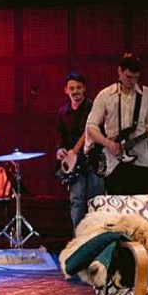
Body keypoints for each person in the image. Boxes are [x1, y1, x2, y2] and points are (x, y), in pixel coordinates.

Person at [86, 53, 148, 195]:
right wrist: (109, 144)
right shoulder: (105, 95)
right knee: (116, 206)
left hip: (140, 162)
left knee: (137, 206)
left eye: (136, 78)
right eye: (128, 77)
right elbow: (91, 126)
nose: (132, 82)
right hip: (114, 163)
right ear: (119, 71)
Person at [55, 70, 105, 231]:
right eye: (72, 88)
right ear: (66, 90)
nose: (75, 91)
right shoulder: (63, 112)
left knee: (96, 201)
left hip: (94, 161)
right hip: (74, 165)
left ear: (84, 88)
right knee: (76, 201)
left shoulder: (94, 108)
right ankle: (79, 238)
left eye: (78, 87)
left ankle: (96, 236)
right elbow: (60, 136)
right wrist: (60, 150)